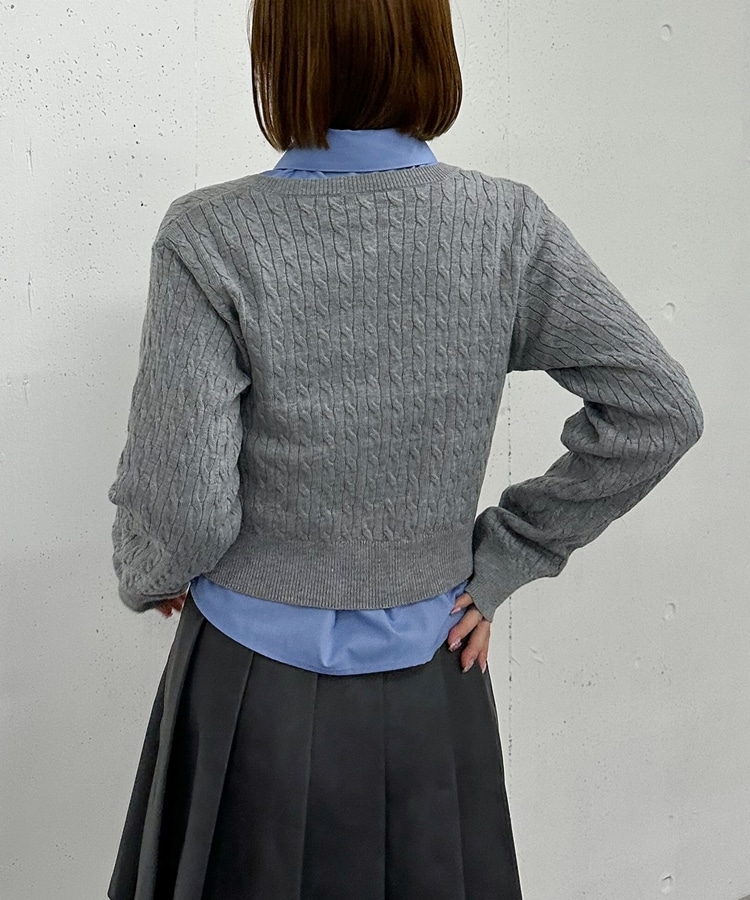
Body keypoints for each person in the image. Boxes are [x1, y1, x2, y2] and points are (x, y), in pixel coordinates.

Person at [105, 0, 704, 897]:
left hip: (247, 693)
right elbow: (658, 410)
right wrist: (507, 556)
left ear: (279, 50)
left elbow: (184, 510)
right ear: (430, 39)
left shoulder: (210, 235)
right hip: (435, 682)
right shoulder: (506, 226)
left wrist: (149, 572)